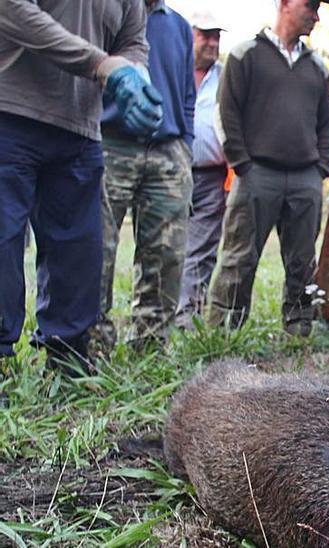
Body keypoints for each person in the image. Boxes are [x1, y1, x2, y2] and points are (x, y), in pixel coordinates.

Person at [0, 0, 161, 374]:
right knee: (3, 238)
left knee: (80, 248)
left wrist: (136, 74)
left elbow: (133, 40)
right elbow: (12, 10)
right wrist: (102, 66)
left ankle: (66, 352)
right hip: (11, 112)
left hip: (80, 128)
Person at [206, 0, 329, 337]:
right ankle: (224, 330)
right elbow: (226, 113)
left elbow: (326, 123)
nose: (316, 15)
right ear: (285, 4)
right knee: (239, 257)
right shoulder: (245, 54)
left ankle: (299, 328)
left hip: (306, 177)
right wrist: (242, 163)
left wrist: (321, 167)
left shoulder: (318, 67)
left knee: (302, 261)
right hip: (256, 174)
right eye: (310, 5)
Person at [91, 0, 196, 353]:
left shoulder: (179, 25)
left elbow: (187, 95)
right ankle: (92, 344)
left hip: (168, 150)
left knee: (166, 255)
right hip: (112, 143)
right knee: (97, 249)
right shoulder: (108, 11)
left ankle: (151, 343)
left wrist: (185, 145)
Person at [175, 12, 230, 328]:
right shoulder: (174, 69)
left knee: (201, 249)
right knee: (166, 247)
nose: (212, 42)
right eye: (205, 35)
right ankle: (156, 310)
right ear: (189, 35)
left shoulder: (225, 76)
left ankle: (187, 317)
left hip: (211, 174)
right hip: (171, 167)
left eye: (216, 36)